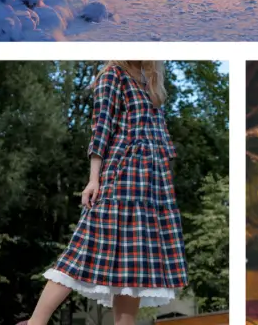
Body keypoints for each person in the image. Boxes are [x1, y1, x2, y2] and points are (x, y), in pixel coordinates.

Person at [22, 61, 188, 325]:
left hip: (152, 186)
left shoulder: (150, 81)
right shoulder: (113, 75)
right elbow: (101, 127)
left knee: (134, 265)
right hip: (121, 176)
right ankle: (36, 323)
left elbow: (158, 139)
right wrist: (93, 179)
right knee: (83, 250)